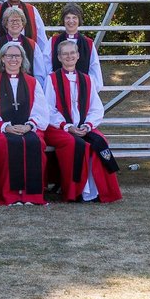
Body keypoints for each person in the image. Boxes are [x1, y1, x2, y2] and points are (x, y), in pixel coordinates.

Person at [44, 40, 122, 203]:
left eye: (72, 53)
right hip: (58, 128)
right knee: (76, 144)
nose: (69, 56)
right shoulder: (51, 79)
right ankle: (76, 191)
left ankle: (101, 190)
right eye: (65, 54)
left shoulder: (87, 80)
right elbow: (48, 109)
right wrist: (68, 126)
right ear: (59, 57)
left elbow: (96, 107)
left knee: (100, 141)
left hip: (84, 126)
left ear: (78, 55)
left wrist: (88, 125)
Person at [0, 42, 49, 205]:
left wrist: (29, 125)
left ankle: (32, 196)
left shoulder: (33, 82)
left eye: (17, 56)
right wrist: (6, 127)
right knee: (6, 145)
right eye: (9, 56)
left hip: (27, 127)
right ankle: (10, 196)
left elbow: (40, 110)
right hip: (0, 130)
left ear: (23, 59)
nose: (13, 59)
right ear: (2, 59)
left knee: (35, 143)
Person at [49, 4, 103, 86]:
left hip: (82, 86)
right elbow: (46, 65)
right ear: (63, 20)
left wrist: (88, 86)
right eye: (67, 17)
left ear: (79, 20)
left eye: (74, 17)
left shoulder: (88, 43)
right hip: (58, 86)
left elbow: (94, 67)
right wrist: (52, 82)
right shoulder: (53, 41)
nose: (71, 21)